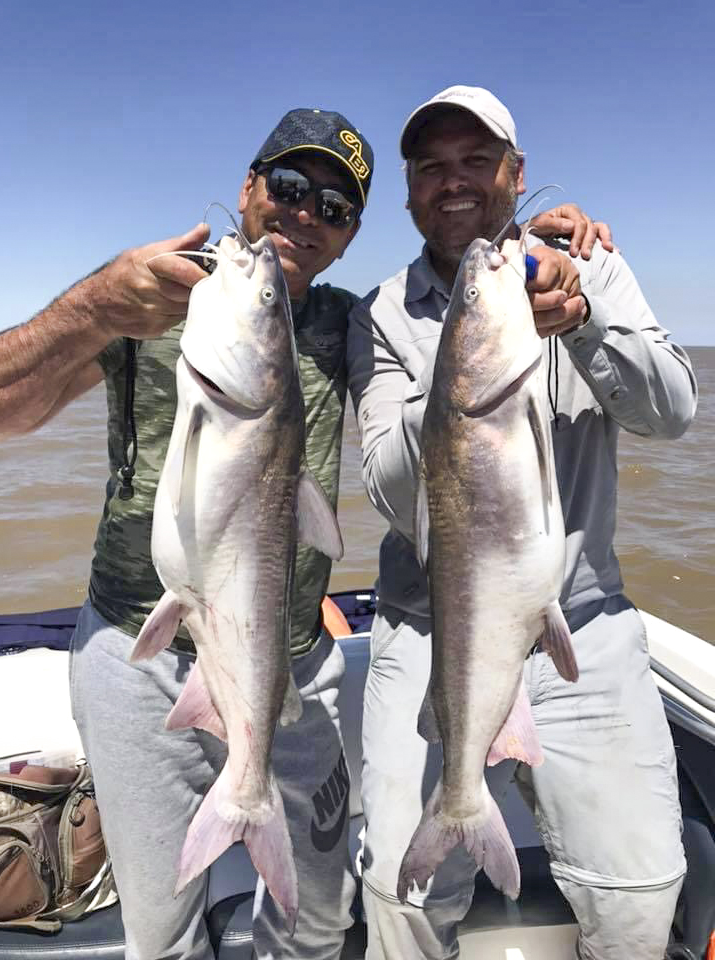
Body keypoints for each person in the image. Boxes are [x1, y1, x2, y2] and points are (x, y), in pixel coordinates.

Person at [0, 100, 613, 959]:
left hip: (295, 661)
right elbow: (4, 407)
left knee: (319, 918)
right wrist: (96, 307)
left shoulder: (345, 323)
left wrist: (556, 251)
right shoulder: (152, 298)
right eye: (290, 186)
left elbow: (462, 373)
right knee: (161, 930)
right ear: (249, 188)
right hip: (136, 651)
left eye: (336, 207)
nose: (306, 214)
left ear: (352, 233)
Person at [347, 85, 697, 960]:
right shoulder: (381, 315)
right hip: (434, 627)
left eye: (475, 161)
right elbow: (391, 492)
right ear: (409, 192)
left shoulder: (592, 267)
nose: (454, 182)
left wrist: (584, 324)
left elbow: (672, 410)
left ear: (516, 173)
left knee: (645, 894)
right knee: (401, 896)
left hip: (581, 623)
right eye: (432, 168)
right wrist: (464, 368)